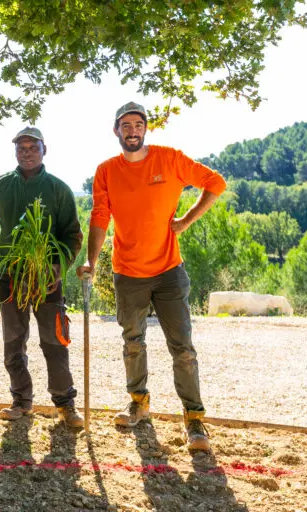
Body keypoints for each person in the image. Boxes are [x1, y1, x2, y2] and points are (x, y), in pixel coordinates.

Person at [77, 101, 227, 451]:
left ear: (146, 129)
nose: (133, 130)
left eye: (138, 124)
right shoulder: (106, 170)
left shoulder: (169, 159)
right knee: (133, 342)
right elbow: (99, 217)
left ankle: (194, 420)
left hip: (169, 271)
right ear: (116, 130)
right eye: (126, 125)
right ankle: (138, 403)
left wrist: (186, 220)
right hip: (127, 272)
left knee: (183, 349)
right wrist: (91, 260)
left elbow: (215, 183)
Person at [0, 126, 84, 427]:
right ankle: (21, 400)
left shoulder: (58, 189)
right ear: (15, 151)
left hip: (47, 278)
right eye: (21, 147)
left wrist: (59, 267)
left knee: (54, 341)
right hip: (10, 276)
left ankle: (65, 404)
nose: (27, 152)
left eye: (33, 147)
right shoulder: (1, 186)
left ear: (45, 149)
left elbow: (72, 235)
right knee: (13, 341)